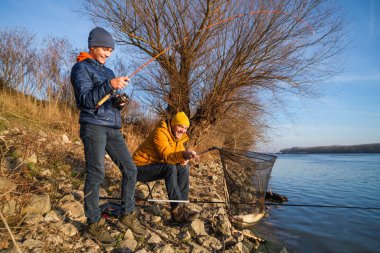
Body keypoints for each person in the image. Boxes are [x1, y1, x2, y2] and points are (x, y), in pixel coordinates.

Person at [70, 27, 146, 245]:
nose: (108, 54)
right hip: (93, 126)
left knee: (130, 169)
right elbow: (85, 101)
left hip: (112, 127)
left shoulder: (110, 72)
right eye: (105, 49)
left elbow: (109, 103)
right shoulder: (80, 68)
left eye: (111, 50)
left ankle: (127, 214)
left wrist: (119, 103)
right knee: (96, 173)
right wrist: (109, 85)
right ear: (92, 47)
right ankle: (93, 222)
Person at [133, 111, 200, 222]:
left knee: (183, 168)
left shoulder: (179, 138)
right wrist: (183, 155)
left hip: (155, 166)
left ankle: (182, 208)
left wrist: (184, 159)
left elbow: (176, 156)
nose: (183, 130)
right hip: (139, 168)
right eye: (180, 126)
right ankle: (177, 210)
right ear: (173, 124)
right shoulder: (160, 132)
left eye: (185, 128)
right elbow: (168, 156)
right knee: (169, 167)